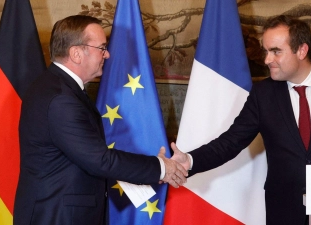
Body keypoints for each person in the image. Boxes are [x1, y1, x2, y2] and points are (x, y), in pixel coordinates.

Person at [170, 15, 311, 225]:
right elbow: (230, 142)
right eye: (266, 51)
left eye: (276, 51)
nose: (267, 59)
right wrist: (190, 160)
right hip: (284, 210)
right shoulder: (263, 94)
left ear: (301, 50)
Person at [13, 15, 187, 225]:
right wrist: (161, 167)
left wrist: (153, 169)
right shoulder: (61, 98)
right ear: (76, 53)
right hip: (57, 217)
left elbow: (88, 157)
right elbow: (100, 160)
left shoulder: (57, 87)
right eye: (102, 48)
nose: (107, 54)